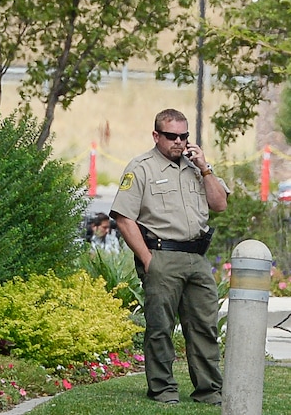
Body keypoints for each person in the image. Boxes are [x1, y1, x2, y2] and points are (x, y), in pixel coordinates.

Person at [110, 108, 229, 406]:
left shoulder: (196, 167)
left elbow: (220, 204)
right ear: (156, 136)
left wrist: (205, 168)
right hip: (162, 255)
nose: (179, 142)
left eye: (184, 136)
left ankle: (209, 391)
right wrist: (148, 260)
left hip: (197, 257)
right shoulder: (141, 167)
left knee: (204, 325)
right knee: (160, 327)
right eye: (171, 136)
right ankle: (163, 389)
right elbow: (124, 218)